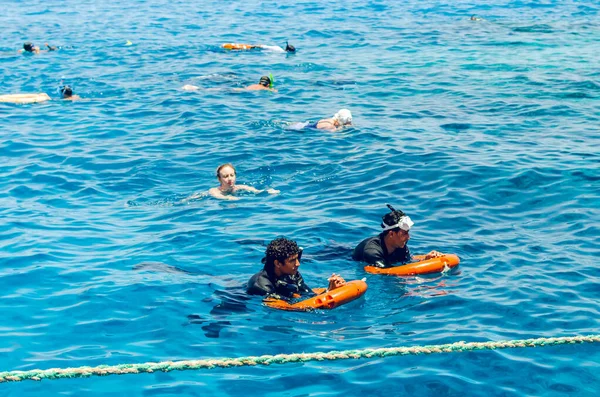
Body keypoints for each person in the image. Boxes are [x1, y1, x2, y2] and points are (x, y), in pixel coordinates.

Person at [247, 237, 346, 300]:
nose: (298, 264)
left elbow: (307, 294)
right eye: (292, 261)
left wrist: (330, 290)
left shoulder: (292, 273)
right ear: (277, 263)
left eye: (297, 259)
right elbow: (287, 306)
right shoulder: (262, 286)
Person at [352, 204, 443, 268]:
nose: (408, 237)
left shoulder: (400, 246)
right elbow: (386, 272)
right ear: (391, 234)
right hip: (344, 257)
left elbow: (408, 261)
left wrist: (426, 258)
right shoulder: (372, 251)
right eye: (404, 233)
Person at [207, 163, 279, 200]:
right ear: (219, 179)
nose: (230, 178)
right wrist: (228, 198)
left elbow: (257, 191)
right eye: (226, 176)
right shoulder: (214, 190)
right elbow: (217, 196)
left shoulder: (240, 187)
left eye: (232, 175)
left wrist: (268, 191)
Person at [222, 41, 296, 53]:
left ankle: (230, 48)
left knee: (243, 48)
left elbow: (264, 46)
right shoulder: (280, 51)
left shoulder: (278, 48)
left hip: (260, 48)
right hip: (260, 50)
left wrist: (256, 46)